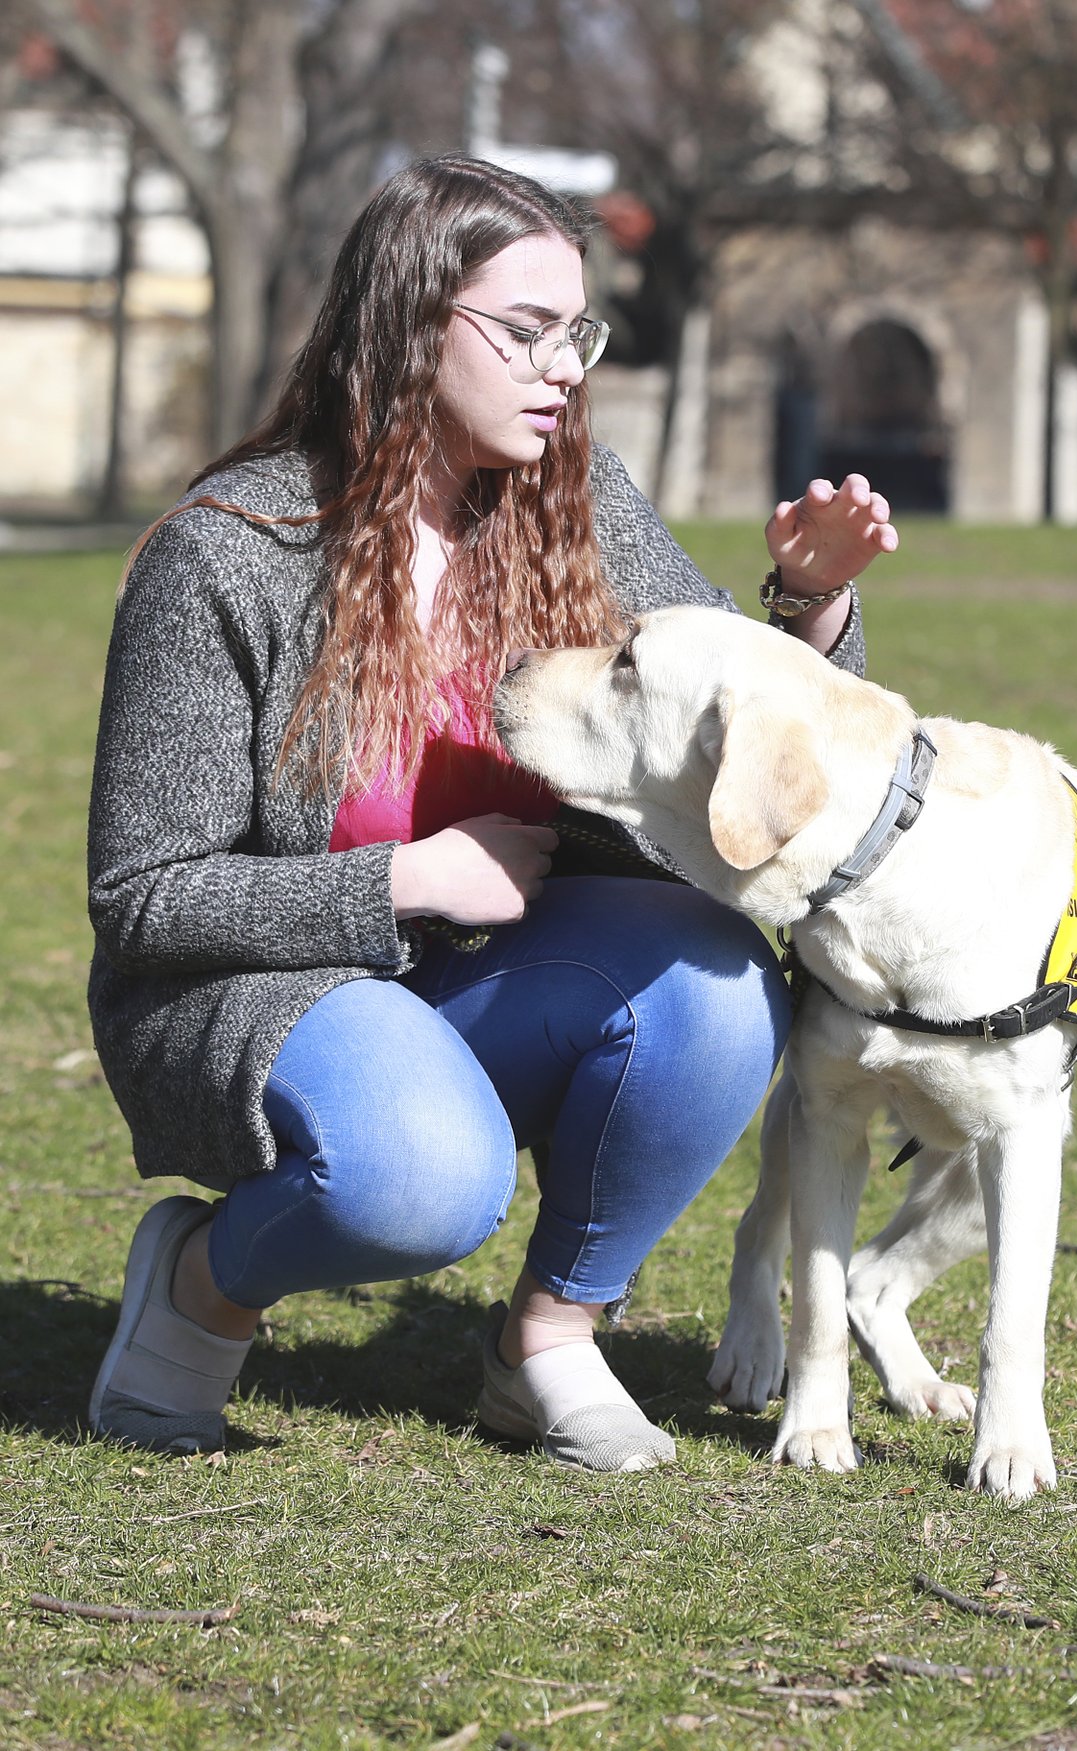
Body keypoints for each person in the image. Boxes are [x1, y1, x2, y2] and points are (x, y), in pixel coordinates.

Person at [86, 154, 897, 1471]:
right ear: (405, 329)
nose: (563, 367)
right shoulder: (224, 555)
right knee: (420, 1182)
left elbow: (740, 749)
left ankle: (548, 1340)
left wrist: (809, 606)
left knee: (714, 981)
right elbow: (144, 900)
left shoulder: (578, 504)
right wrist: (405, 880)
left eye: (578, 333)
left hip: (477, 976)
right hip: (255, 987)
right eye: (523, 334)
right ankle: (198, 1281)